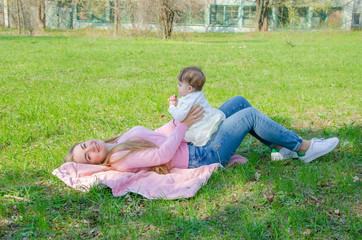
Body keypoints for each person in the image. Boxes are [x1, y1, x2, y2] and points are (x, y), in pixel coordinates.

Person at [66, 95, 339, 174]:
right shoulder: (120, 159)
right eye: (87, 157)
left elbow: (159, 134)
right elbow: (162, 154)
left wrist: (179, 115)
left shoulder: (118, 142)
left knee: (238, 102)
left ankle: (285, 148)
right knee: (249, 115)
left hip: (195, 141)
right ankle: (305, 148)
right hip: (203, 154)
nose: (90, 148)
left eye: (84, 145)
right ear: (96, 164)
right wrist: (184, 126)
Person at [167, 66, 225, 147]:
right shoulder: (197, 94)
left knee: (182, 135)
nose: (177, 87)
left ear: (189, 88)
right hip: (209, 119)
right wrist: (178, 102)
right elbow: (187, 103)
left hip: (201, 128)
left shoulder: (189, 100)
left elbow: (180, 117)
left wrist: (172, 106)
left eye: (180, 85)